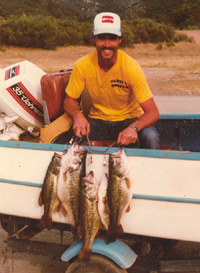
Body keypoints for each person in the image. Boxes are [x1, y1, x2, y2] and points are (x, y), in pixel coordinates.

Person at [63, 12, 160, 149]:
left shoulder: (131, 67)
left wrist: (134, 128)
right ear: (93, 38)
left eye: (112, 38)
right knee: (71, 140)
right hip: (97, 121)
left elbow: (153, 112)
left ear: (120, 40)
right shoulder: (82, 65)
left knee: (150, 137)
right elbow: (69, 100)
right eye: (102, 38)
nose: (107, 44)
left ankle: (152, 169)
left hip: (129, 119)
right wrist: (77, 116)